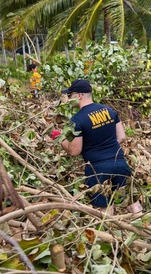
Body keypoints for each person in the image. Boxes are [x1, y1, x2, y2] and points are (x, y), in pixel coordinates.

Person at [52, 79, 138, 212]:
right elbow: (121, 137)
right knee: (132, 202)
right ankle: (147, 228)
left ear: (79, 95)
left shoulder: (76, 120)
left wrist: (59, 137)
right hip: (119, 162)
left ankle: (107, 232)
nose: (68, 98)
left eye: (70, 95)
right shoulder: (108, 110)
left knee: (103, 210)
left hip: (97, 169)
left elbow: (74, 150)